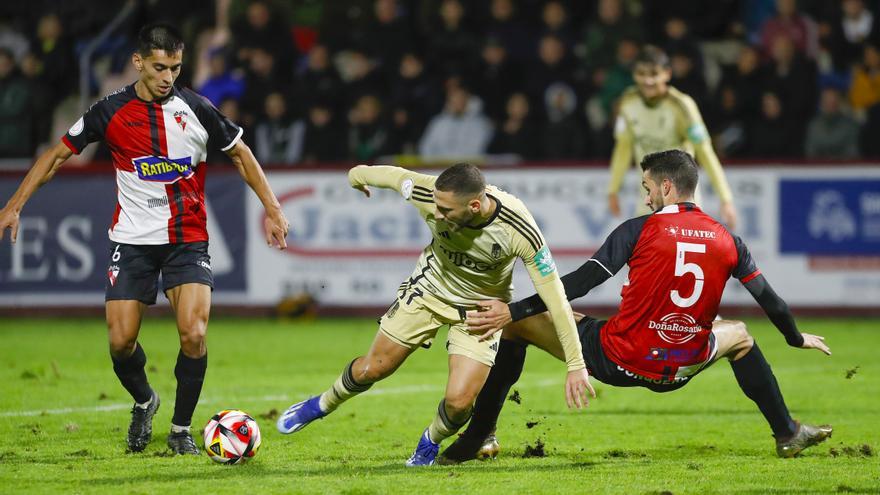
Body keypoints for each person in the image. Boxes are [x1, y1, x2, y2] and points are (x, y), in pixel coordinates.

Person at [0, 24, 290, 455]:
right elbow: (58, 154)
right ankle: (144, 401)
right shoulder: (110, 110)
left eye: (175, 67)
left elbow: (241, 154)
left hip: (186, 240)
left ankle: (180, 430)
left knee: (193, 334)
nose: (168, 76)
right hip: (132, 240)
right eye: (159, 67)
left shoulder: (196, 108)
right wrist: (15, 204)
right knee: (120, 343)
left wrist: (273, 208)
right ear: (138, 63)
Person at [439, 149, 832, 463]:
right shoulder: (728, 239)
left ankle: (480, 435)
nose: (645, 198)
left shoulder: (639, 229)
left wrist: (514, 310)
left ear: (665, 186)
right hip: (684, 366)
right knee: (741, 336)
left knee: (516, 325)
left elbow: (579, 283)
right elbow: (771, 301)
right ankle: (786, 433)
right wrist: (794, 337)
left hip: (620, 358)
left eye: (647, 188)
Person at [276, 163, 592, 467]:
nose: (436, 213)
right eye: (436, 207)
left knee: (459, 402)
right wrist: (355, 176)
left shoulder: (518, 228)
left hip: (480, 311)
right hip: (428, 291)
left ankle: (430, 441)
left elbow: (557, 299)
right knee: (372, 369)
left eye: (446, 210)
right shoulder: (430, 194)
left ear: (475, 206)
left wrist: (575, 364)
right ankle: (321, 404)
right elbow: (392, 175)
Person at [608, 45, 738, 230]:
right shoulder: (628, 103)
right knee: (642, 257)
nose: (648, 80)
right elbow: (623, 148)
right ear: (634, 74)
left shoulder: (682, 106)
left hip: (682, 200)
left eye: (654, 73)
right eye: (641, 73)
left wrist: (726, 199)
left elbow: (706, 152)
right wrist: (612, 190)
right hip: (647, 199)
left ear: (667, 73)